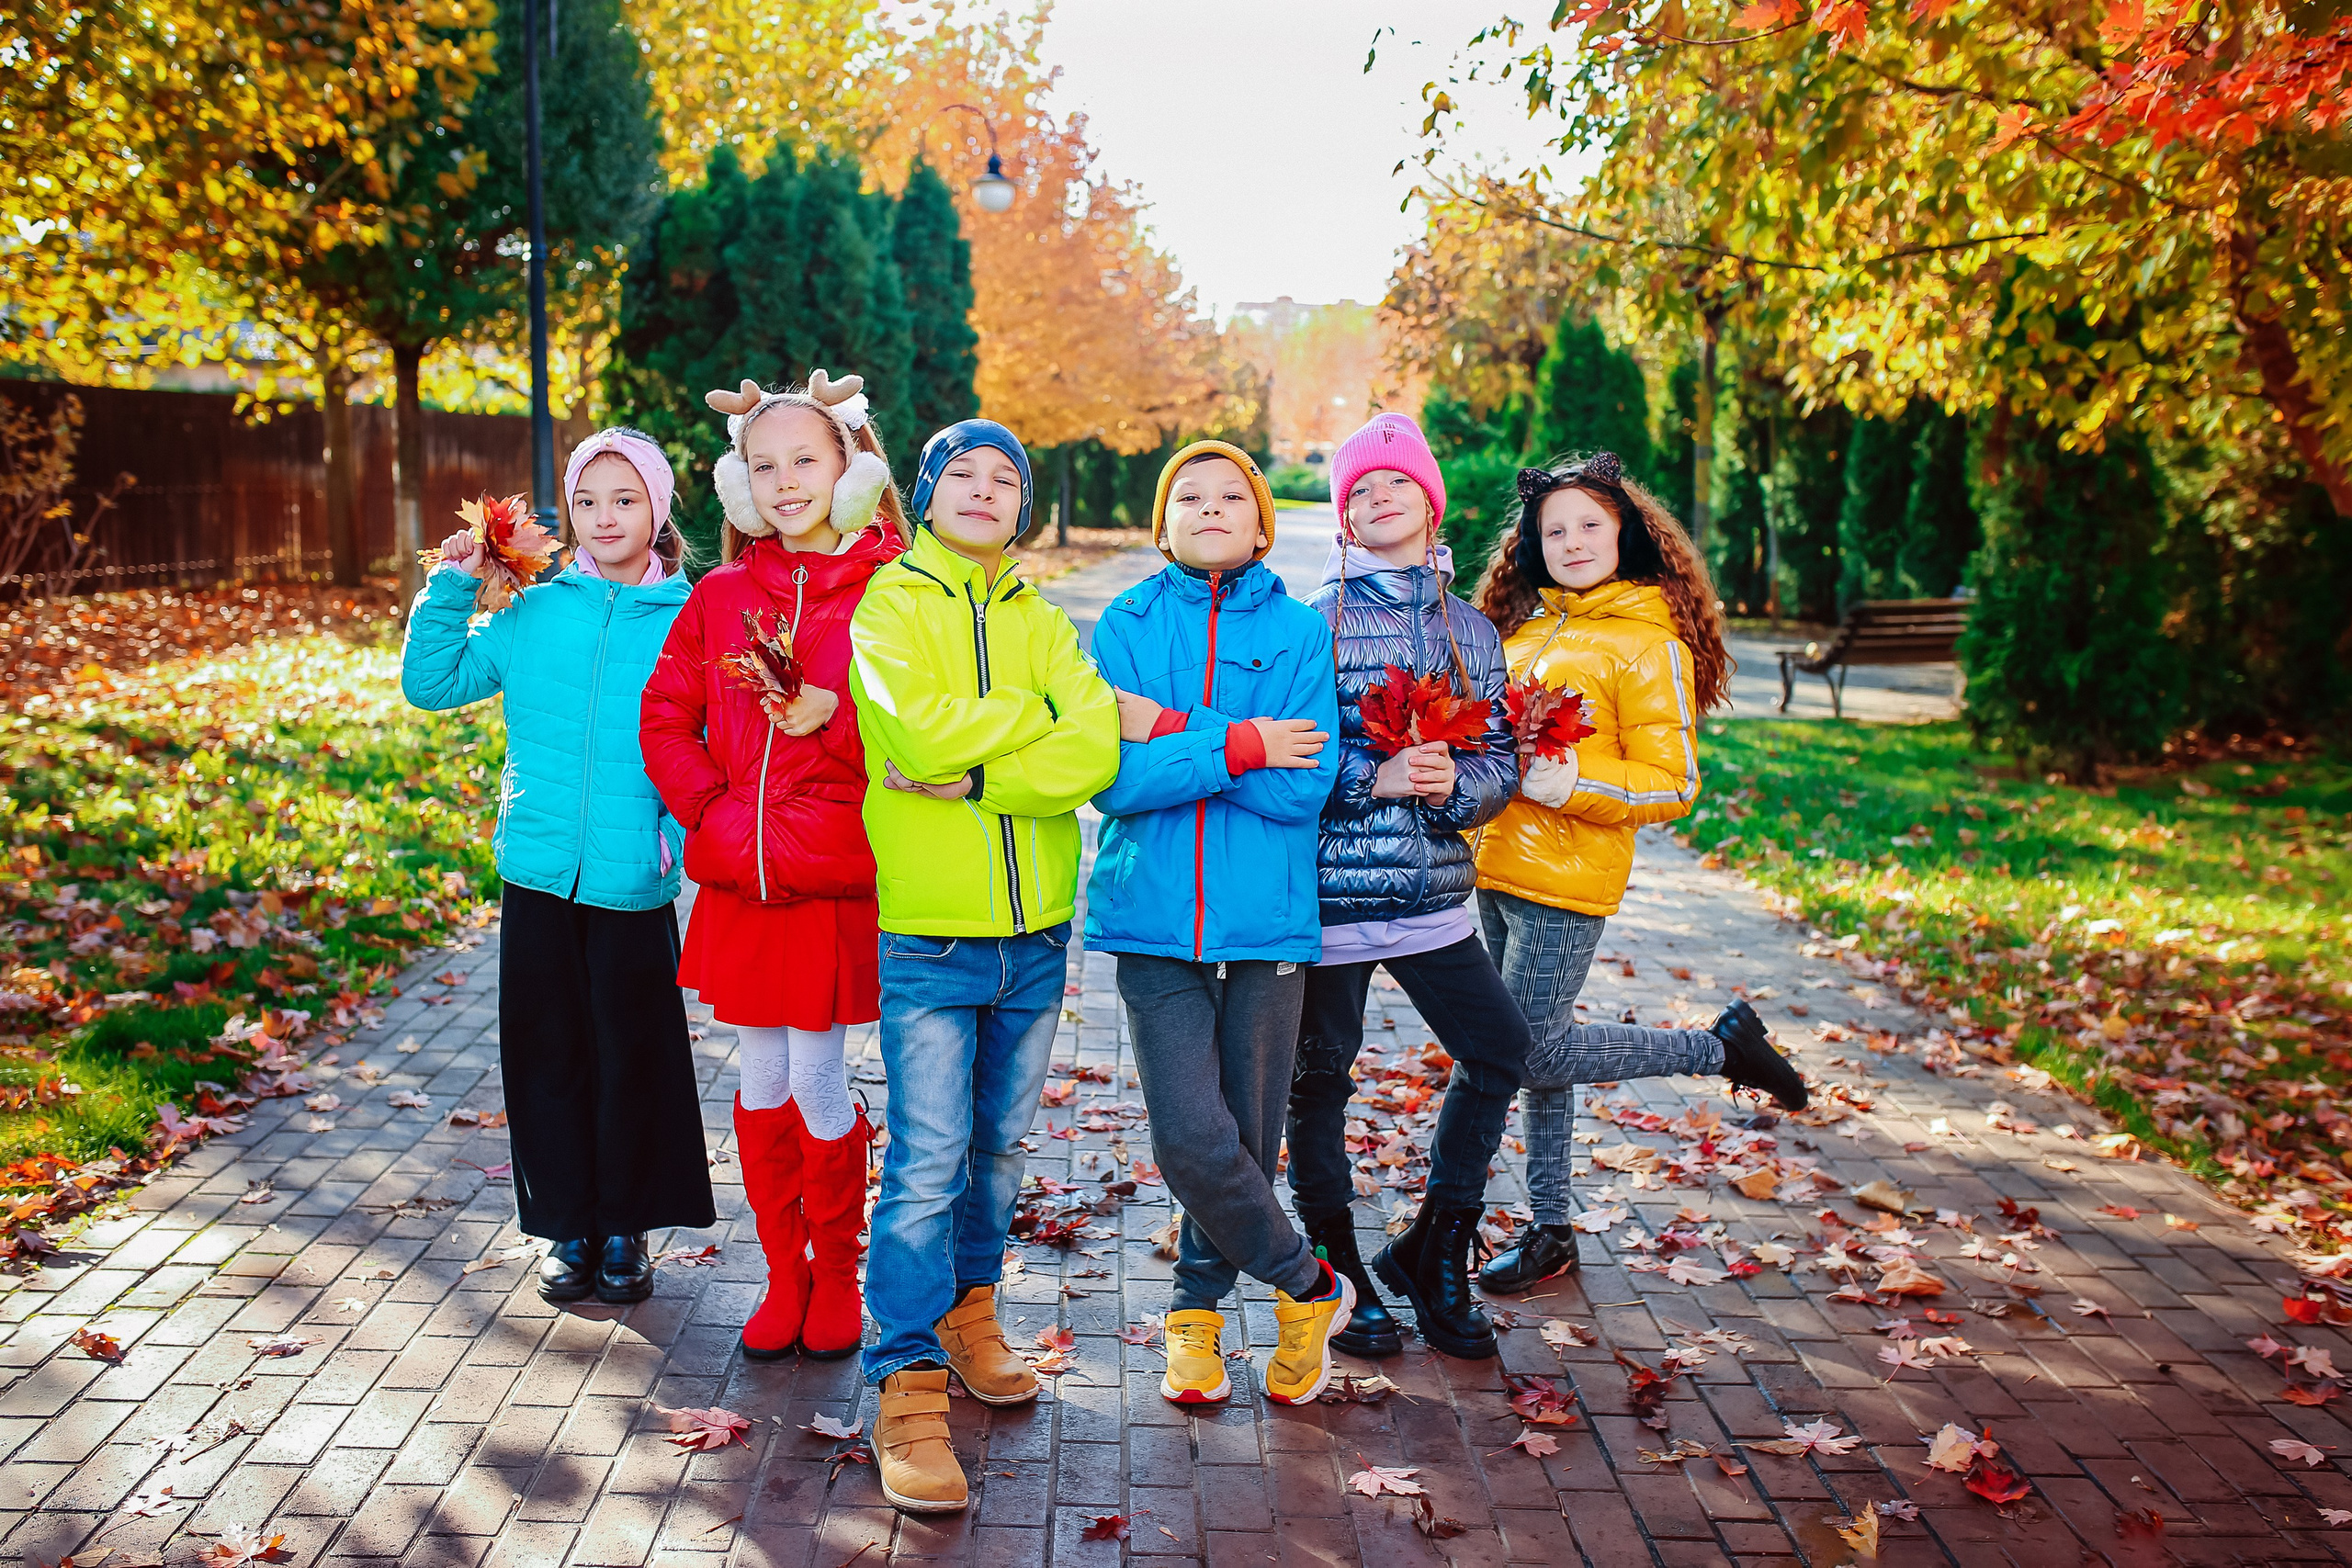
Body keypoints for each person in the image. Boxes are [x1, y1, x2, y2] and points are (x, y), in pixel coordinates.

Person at [847, 419, 1119, 1514]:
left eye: (1006, 478)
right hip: (931, 934)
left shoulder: (1045, 618)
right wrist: (1026, 724)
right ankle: (903, 1378)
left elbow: (1094, 745)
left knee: (1000, 1148)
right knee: (927, 1158)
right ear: (925, 495)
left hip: (1039, 931)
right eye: (962, 474)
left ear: (1023, 508)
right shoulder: (886, 607)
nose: (985, 490)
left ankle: (967, 1316)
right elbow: (915, 737)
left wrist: (984, 774)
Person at [1469, 454, 1807, 1293]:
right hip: (1496, 865)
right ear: (1532, 546)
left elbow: (1675, 782)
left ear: (1627, 532)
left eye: (1590, 524)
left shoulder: (1647, 642)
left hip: (1568, 877)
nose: (1572, 540)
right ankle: (1551, 1228)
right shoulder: (1526, 627)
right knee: (1545, 1054)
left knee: (1532, 1049)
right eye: (1554, 530)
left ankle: (1718, 1049)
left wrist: (1572, 782)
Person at [401, 428, 713, 1304]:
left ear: (658, 509)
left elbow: (707, 739)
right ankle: (566, 1226)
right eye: (586, 500)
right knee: (547, 1054)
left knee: (631, 1055)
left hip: (634, 877)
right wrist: (452, 587)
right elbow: (433, 683)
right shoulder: (533, 609)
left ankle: (626, 1228)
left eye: (625, 499)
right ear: (565, 513)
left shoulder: (692, 617)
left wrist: (680, 844)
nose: (605, 516)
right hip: (537, 867)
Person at [640, 372, 905, 1359]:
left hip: (832, 874)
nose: (786, 481)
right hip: (739, 879)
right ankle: (780, 1274)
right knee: (757, 1077)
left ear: (849, 468)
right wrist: (707, 815)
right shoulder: (718, 595)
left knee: (818, 1075)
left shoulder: (889, 593)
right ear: (738, 485)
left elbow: (911, 735)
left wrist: (836, 727)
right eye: (764, 465)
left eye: (806, 459)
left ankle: (838, 1273)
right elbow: (666, 714)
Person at [1084, 441, 1352, 1405]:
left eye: (1229, 495)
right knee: (1193, 1139)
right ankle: (1310, 1286)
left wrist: (1162, 726)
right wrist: (1238, 741)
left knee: (1247, 1132)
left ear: (1260, 519)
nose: (1208, 507)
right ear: (1162, 521)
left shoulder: (1296, 634)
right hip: (1151, 921)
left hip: (1266, 926)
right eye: (1187, 495)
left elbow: (1303, 787)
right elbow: (1106, 781)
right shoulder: (1122, 621)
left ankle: (1194, 1322)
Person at [1286, 412, 1530, 1362]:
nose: (1375, 498)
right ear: (1342, 520)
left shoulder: (1472, 632)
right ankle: (1338, 1268)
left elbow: (1500, 757)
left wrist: (1454, 791)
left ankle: (1438, 1245)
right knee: (1319, 1082)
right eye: (1356, 491)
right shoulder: (1315, 623)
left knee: (1499, 1047)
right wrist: (1370, 777)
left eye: (1393, 484)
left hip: (1431, 896)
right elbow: (1290, 761)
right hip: (1331, 902)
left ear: (1430, 501)